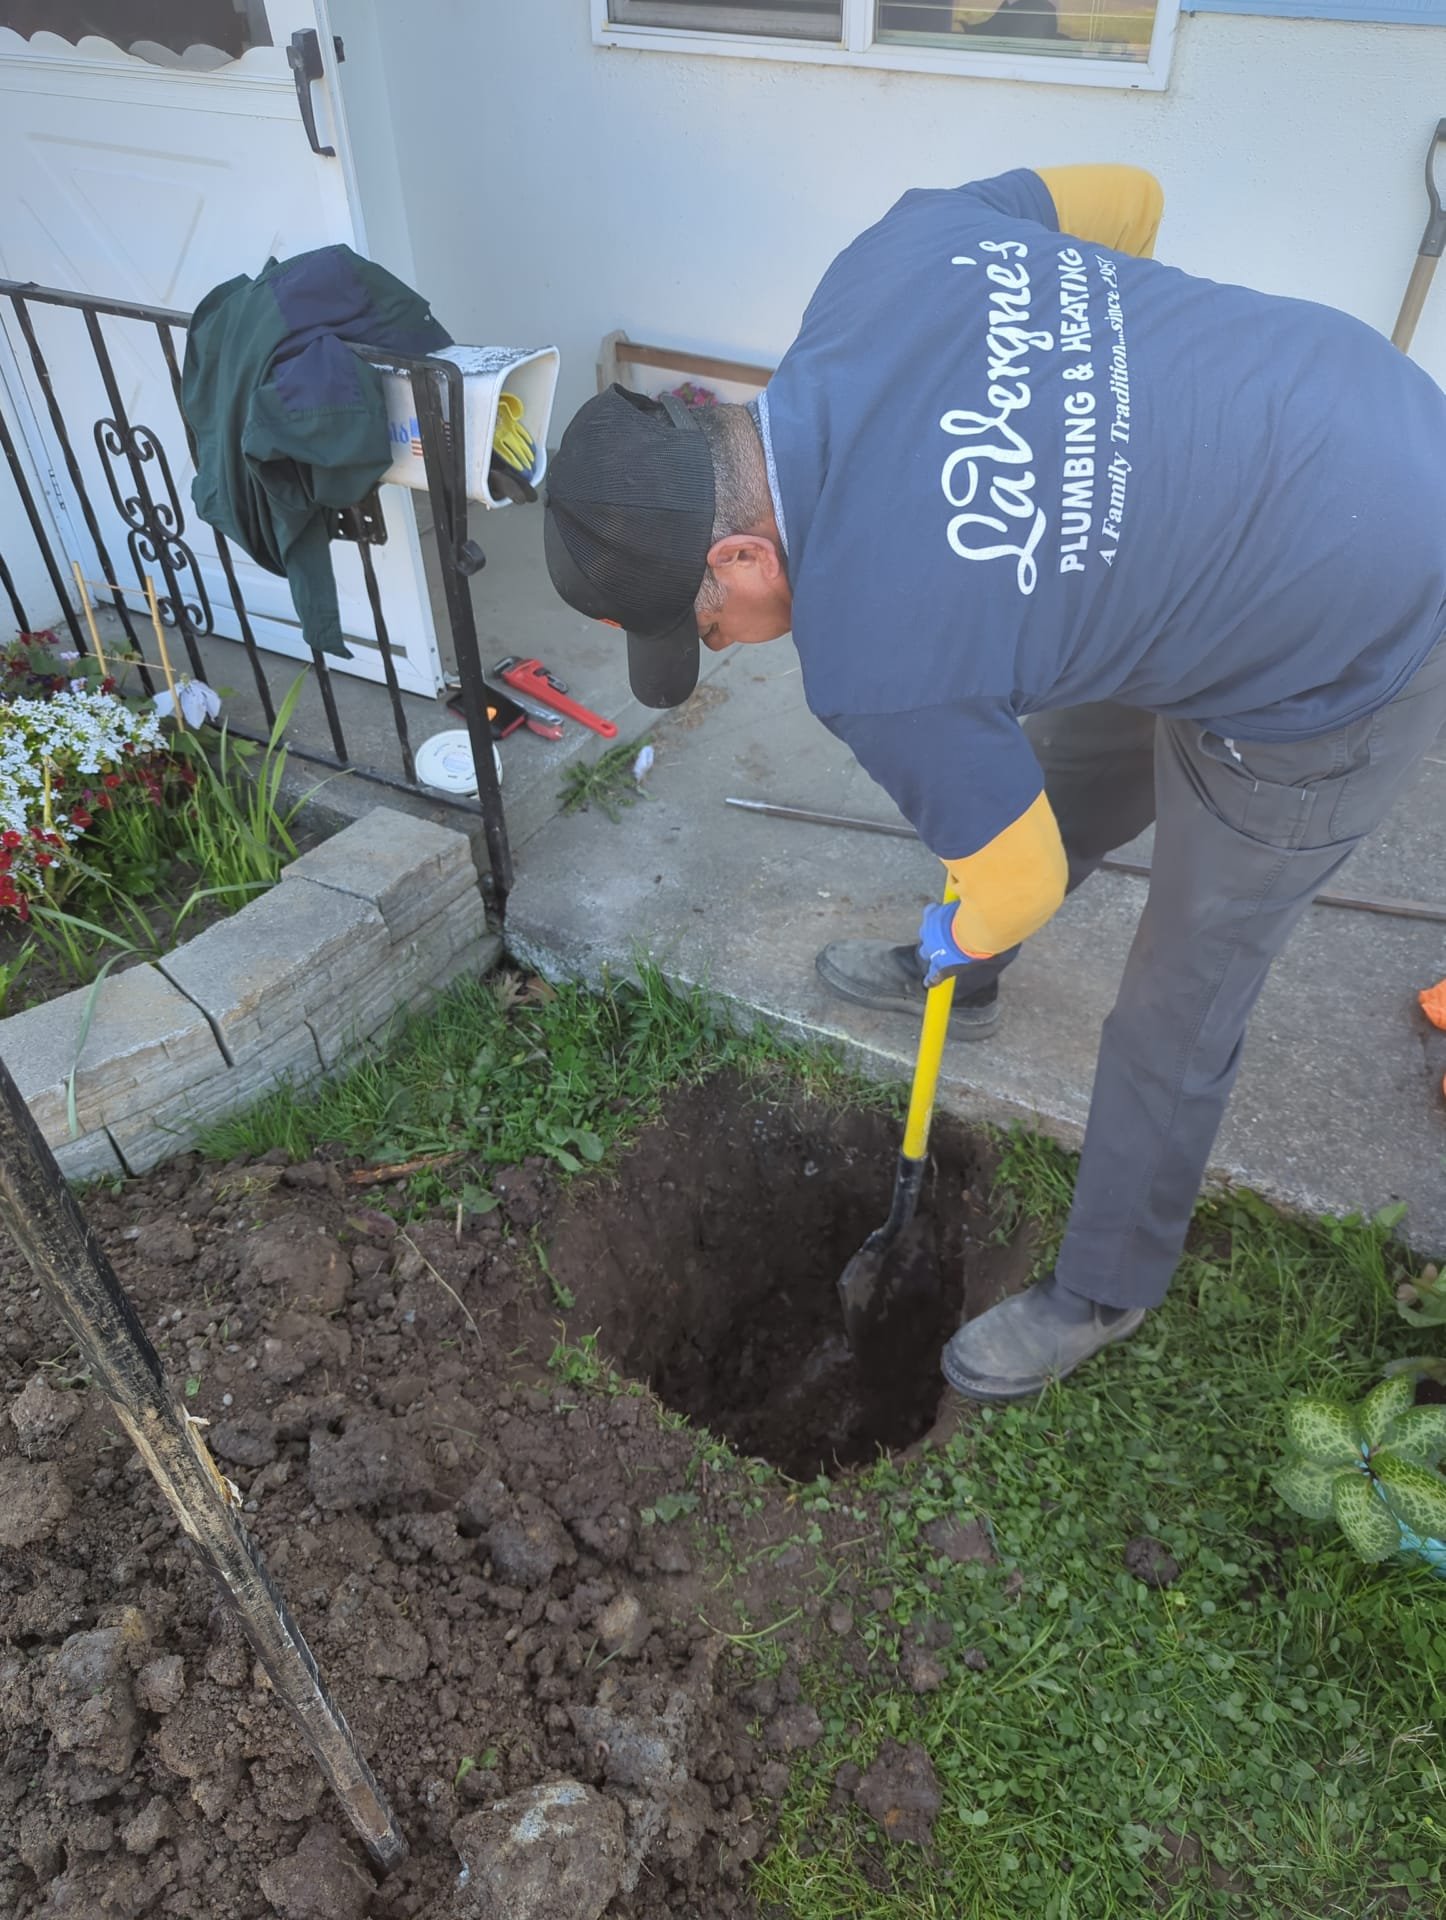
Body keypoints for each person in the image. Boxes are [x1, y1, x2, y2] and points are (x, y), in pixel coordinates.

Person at [542, 165, 1446, 1403]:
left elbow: (1013, 882)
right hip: (1347, 400)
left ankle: (1103, 1289)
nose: (721, 647)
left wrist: (978, 913)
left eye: (706, 622)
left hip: (1358, 601)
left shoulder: (871, 651)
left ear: (741, 551)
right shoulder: (892, 261)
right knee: (1068, 749)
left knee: (1184, 989)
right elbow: (1129, 197)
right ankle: (956, 981)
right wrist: (1093, 412)